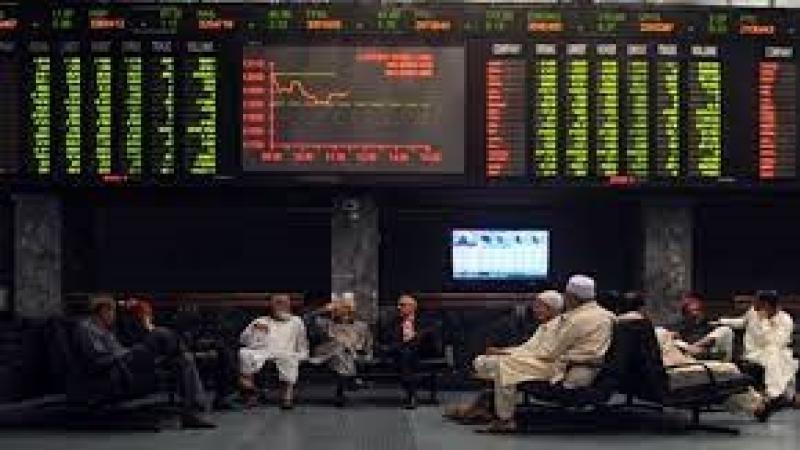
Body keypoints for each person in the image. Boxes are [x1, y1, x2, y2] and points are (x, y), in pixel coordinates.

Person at [474, 275, 615, 432]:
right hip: (575, 367)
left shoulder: (575, 320)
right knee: (499, 364)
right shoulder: (605, 315)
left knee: (503, 366)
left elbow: (550, 353)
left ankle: (505, 419)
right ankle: (492, 408)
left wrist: (511, 355)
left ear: (571, 297)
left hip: (568, 370)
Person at [74, 296, 215, 429]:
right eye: (112, 312)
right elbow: (98, 356)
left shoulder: (105, 330)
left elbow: (116, 349)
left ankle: (192, 412)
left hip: (126, 359)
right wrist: (127, 353)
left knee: (184, 361)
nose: (113, 316)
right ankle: (182, 350)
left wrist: (128, 351)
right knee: (160, 334)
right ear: (103, 311)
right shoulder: (87, 328)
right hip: (116, 366)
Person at [444, 290, 565, 423]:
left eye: (539, 306)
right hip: (531, 360)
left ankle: (504, 418)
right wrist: (503, 350)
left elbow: (545, 353)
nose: (535, 310)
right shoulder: (544, 326)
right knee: (481, 360)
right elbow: (527, 348)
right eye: (535, 306)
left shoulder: (560, 326)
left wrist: (506, 354)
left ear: (552, 309)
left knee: (502, 366)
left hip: (546, 365)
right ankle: (487, 406)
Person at [120, 298, 238, 410]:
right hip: (162, 356)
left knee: (222, 350)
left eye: (149, 313)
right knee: (183, 354)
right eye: (145, 314)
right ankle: (197, 400)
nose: (149, 316)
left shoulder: (153, 327)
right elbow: (140, 347)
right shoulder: (136, 330)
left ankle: (223, 397)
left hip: (177, 348)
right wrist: (146, 325)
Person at [716, 290, 799, 408]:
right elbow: (742, 322)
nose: (753, 304)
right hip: (754, 352)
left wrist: (765, 322)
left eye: (757, 302)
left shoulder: (785, 320)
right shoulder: (753, 312)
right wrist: (721, 321)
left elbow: (775, 343)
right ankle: (782, 395)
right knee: (778, 359)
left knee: (778, 357)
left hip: (776, 351)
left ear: (766, 305)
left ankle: (774, 394)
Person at [238, 294, 309, 409]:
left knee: (289, 359)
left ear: (289, 304)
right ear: (271, 305)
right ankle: (250, 393)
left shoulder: (296, 321)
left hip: (286, 351)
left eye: (285, 302)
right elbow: (244, 340)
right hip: (263, 351)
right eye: (278, 302)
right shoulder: (261, 320)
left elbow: (302, 342)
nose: (282, 305)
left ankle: (287, 397)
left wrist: (302, 354)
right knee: (244, 353)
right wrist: (255, 332)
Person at [306, 292, 373, 399]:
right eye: (340, 308)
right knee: (340, 346)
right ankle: (351, 378)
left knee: (342, 352)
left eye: (346, 308)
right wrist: (323, 309)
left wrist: (366, 354)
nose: (343, 311)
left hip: (349, 355)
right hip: (327, 353)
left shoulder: (362, 326)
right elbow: (307, 318)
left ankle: (341, 391)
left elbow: (367, 344)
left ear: (352, 310)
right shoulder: (327, 323)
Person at [381, 294, 441, 409]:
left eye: (402, 305)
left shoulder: (425, 320)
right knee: (406, 353)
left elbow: (429, 336)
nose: (398, 307)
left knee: (408, 347)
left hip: (422, 351)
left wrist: (413, 338)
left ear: (412, 307)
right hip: (403, 354)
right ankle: (412, 395)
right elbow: (386, 338)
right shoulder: (394, 322)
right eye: (398, 305)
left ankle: (411, 394)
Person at [662, 294, 735, 362]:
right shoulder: (681, 326)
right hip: (685, 355)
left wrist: (697, 348)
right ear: (685, 314)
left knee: (725, 330)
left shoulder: (709, 325)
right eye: (691, 311)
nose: (695, 313)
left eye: (698, 310)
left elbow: (716, 345)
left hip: (706, 355)